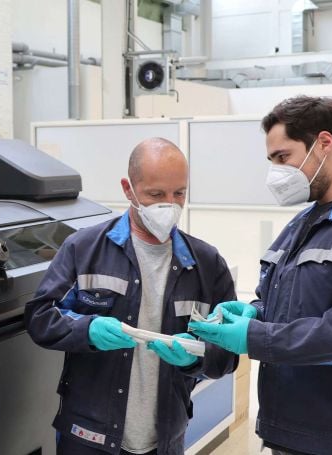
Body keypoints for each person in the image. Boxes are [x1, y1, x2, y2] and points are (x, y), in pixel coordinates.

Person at [25, 138, 238, 455]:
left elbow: (228, 355)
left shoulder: (207, 265)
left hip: (165, 439)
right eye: (155, 194)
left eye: (179, 193)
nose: (169, 204)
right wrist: (87, 330)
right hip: (88, 437)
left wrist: (196, 357)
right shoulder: (84, 250)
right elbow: (40, 318)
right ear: (128, 189)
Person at [190, 95, 332, 455]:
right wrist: (252, 312)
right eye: (271, 161)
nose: (277, 173)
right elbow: (279, 303)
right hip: (288, 427)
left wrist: (256, 338)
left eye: (283, 157)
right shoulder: (302, 223)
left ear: (324, 143)